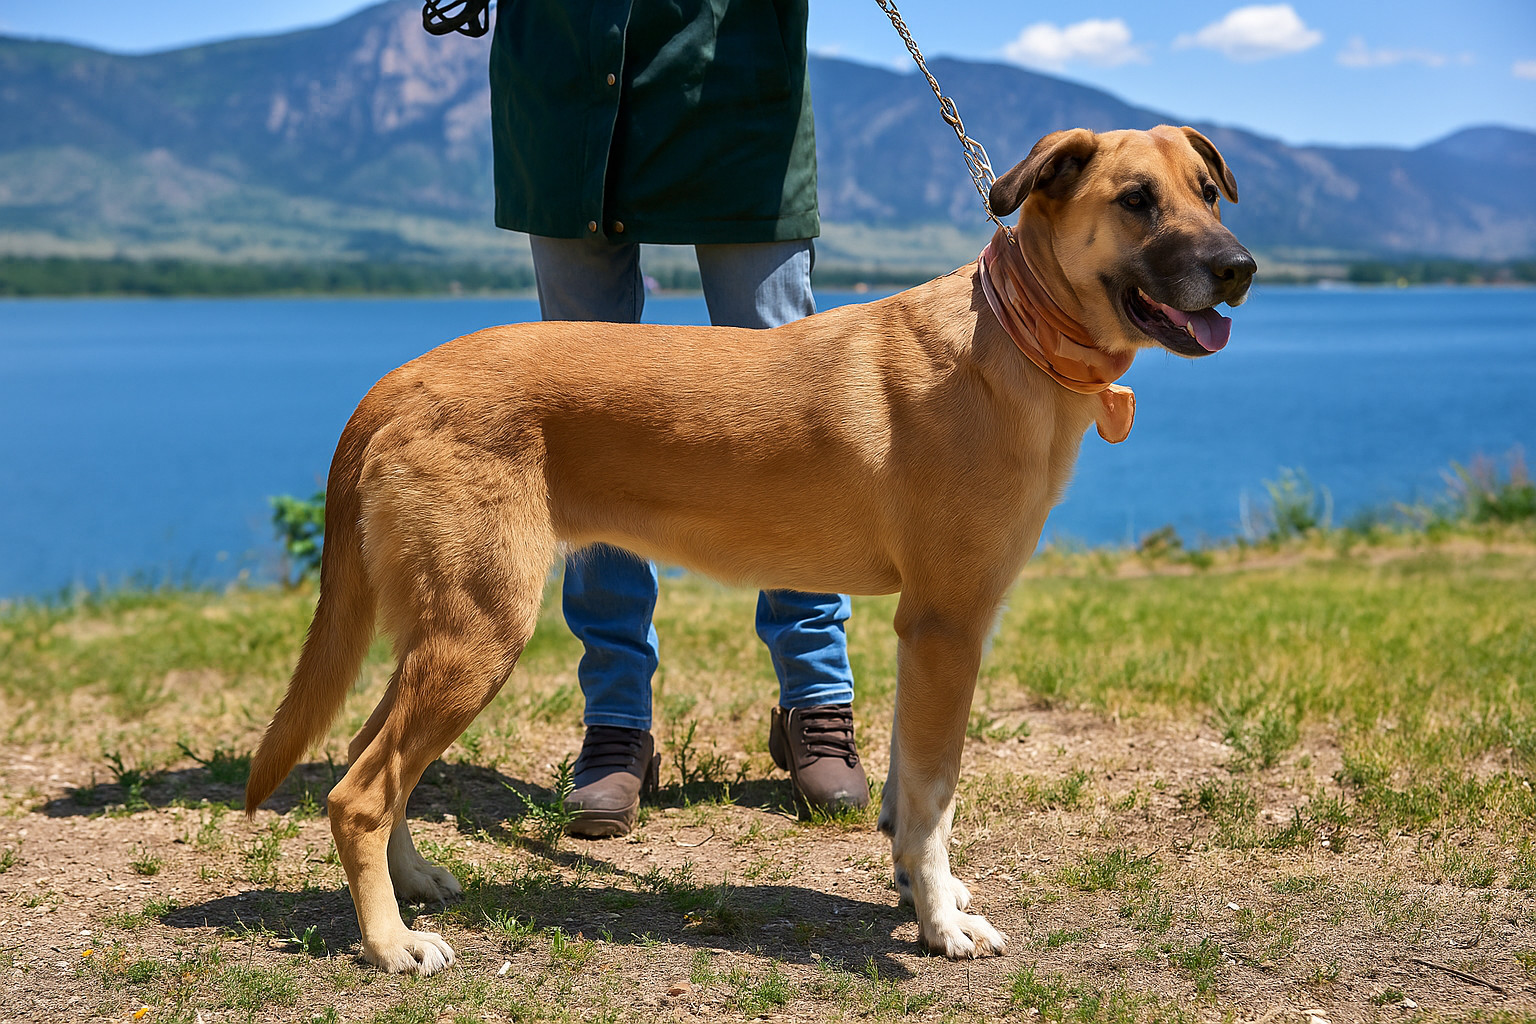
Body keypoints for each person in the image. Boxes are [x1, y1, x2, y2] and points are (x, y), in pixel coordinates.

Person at [487, 0, 867, 836]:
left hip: (734, 75)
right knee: (589, 426)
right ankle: (617, 724)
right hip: (570, 66)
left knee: (790, 418)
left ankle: (816, 700)